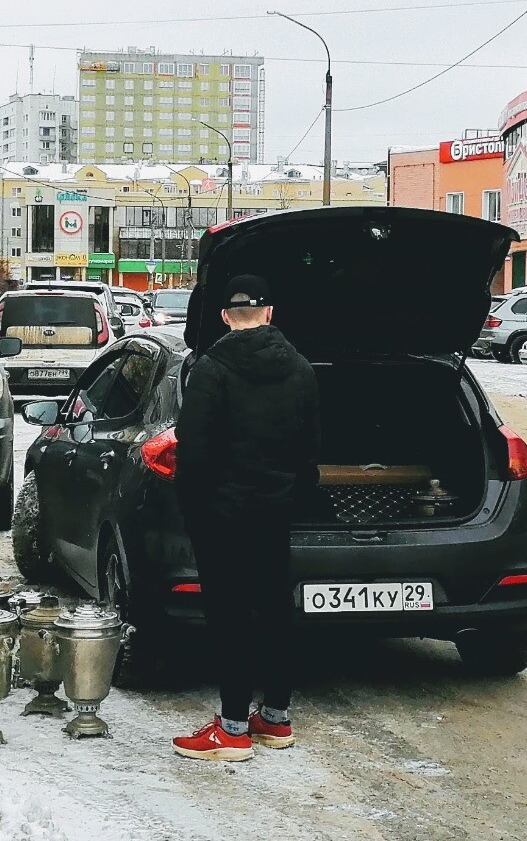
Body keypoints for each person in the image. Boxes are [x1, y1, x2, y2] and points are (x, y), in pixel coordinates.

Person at [171, 274, 320, 762]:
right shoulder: (300, 369)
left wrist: (195, 513)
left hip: (224, 517)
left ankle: (232, 729)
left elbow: (194, 454)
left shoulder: (212, 370)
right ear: (270, 313)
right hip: (275, 513)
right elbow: (309, 451)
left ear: (223, 318)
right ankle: (275, 719)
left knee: (230, 615)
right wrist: (290, 497)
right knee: (275, 609)